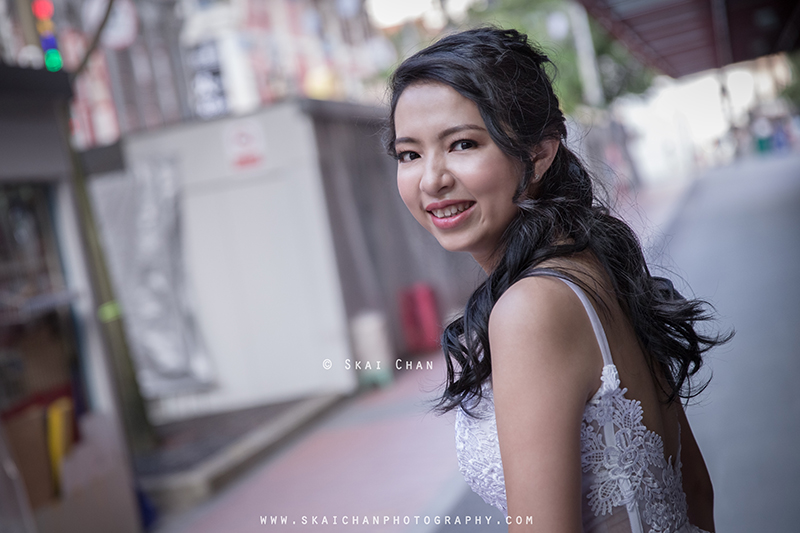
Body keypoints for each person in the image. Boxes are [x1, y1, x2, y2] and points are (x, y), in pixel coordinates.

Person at [384, 27, 729, 532]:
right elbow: (696, 492)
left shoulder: (531, 308)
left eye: (462, 144)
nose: (431, 179)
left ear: (538, 154)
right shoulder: (597, 265)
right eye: (409, 154)